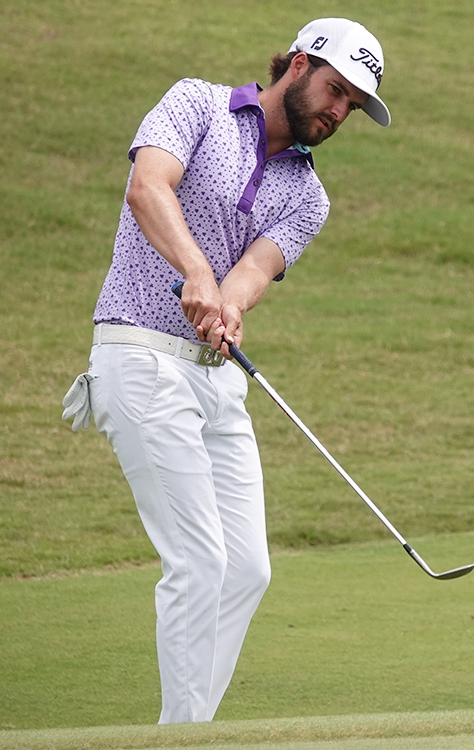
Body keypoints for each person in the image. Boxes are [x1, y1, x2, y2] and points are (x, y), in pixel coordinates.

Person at [60, 18, 391, 724]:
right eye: (335, 90)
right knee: (199, 562)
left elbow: (253, 273)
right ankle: (184, 739)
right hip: (140, 356)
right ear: (298, 65)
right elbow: (148, 188)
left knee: (247, 569)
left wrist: (229, 306)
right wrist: (195, 272)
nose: (338, 112)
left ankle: (185, 733)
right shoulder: (197, 104)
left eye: (352, 106)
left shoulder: (311, 195)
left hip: (216, 377)